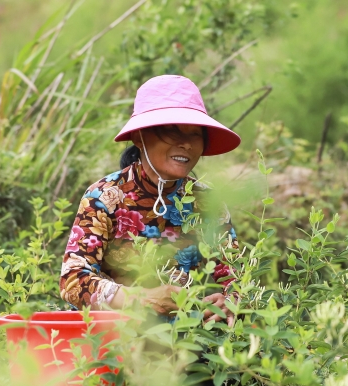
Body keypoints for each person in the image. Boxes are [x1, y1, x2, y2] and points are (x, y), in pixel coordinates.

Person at [59, 75, 241, 324]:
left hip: (188, 342)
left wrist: (229, 299)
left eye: (195, 134)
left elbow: (237, 277)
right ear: (139, 137)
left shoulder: (208, 202)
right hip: (116, 340)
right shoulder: (106, 197)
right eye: (171, 131)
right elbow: (73, 281)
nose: (185, 144)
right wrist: (141, 299)